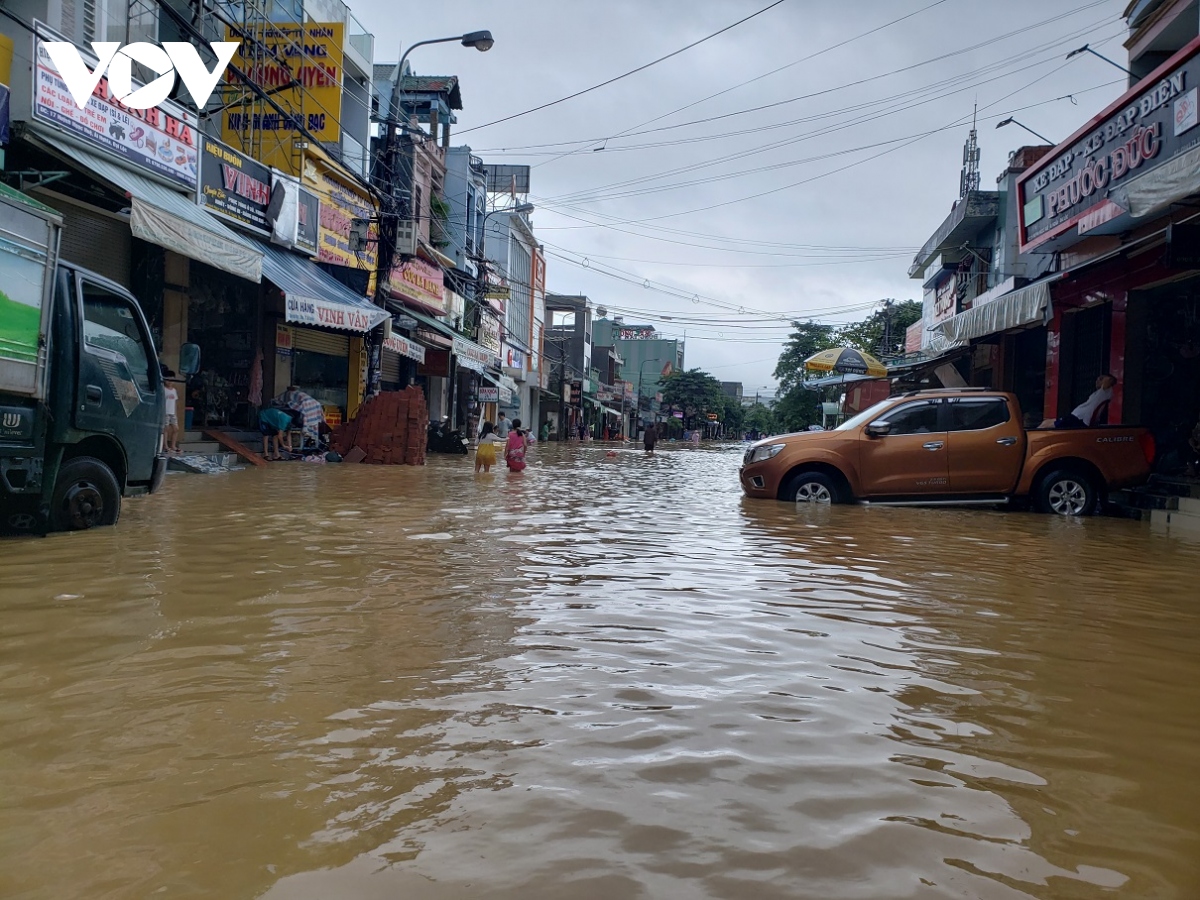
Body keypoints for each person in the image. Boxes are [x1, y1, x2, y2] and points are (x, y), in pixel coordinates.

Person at [161, 366, 180, 453]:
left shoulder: (174, 390)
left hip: (172, 413)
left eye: (171, 380)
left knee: (176, 429)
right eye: (168, 380)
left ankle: (173, 445)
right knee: (166, 429)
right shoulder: (163, 389)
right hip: (165, 412)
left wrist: (175, 413)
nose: (169, 382)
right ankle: (165, 446)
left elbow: (175, 402)